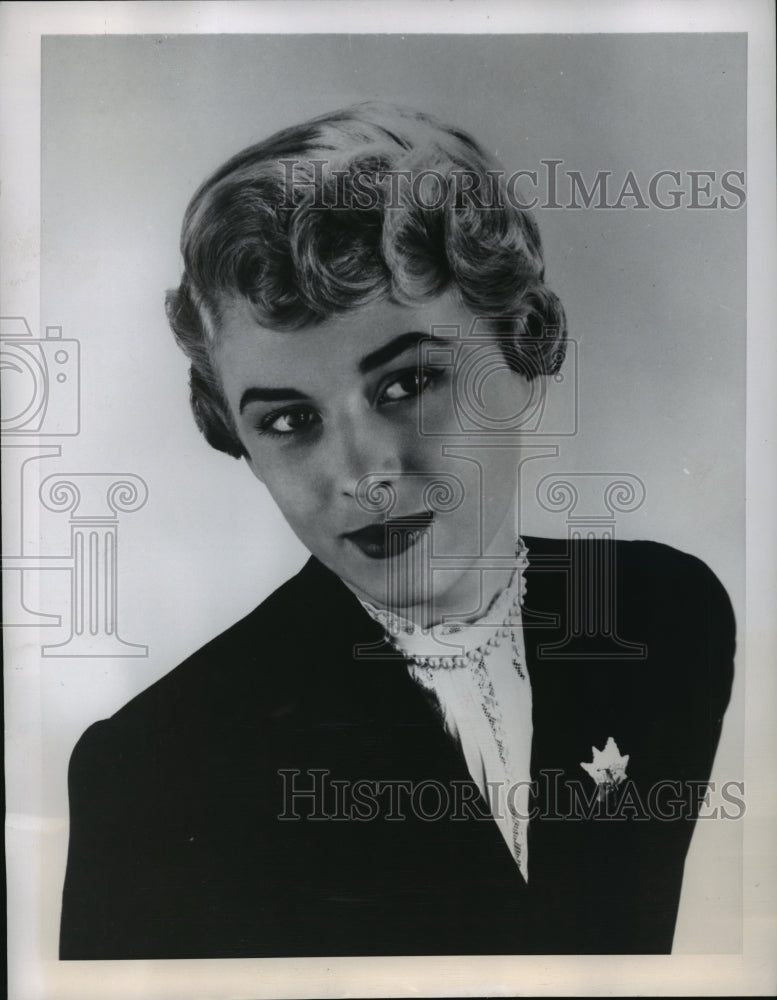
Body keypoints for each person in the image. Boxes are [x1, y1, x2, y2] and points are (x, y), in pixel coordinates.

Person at [59, 102, 735, 959]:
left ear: (521, 349)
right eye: (289, 420)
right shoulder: (156, 770)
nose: (363, 472)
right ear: (234, 433)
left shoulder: (667, 612)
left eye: (407, 382)